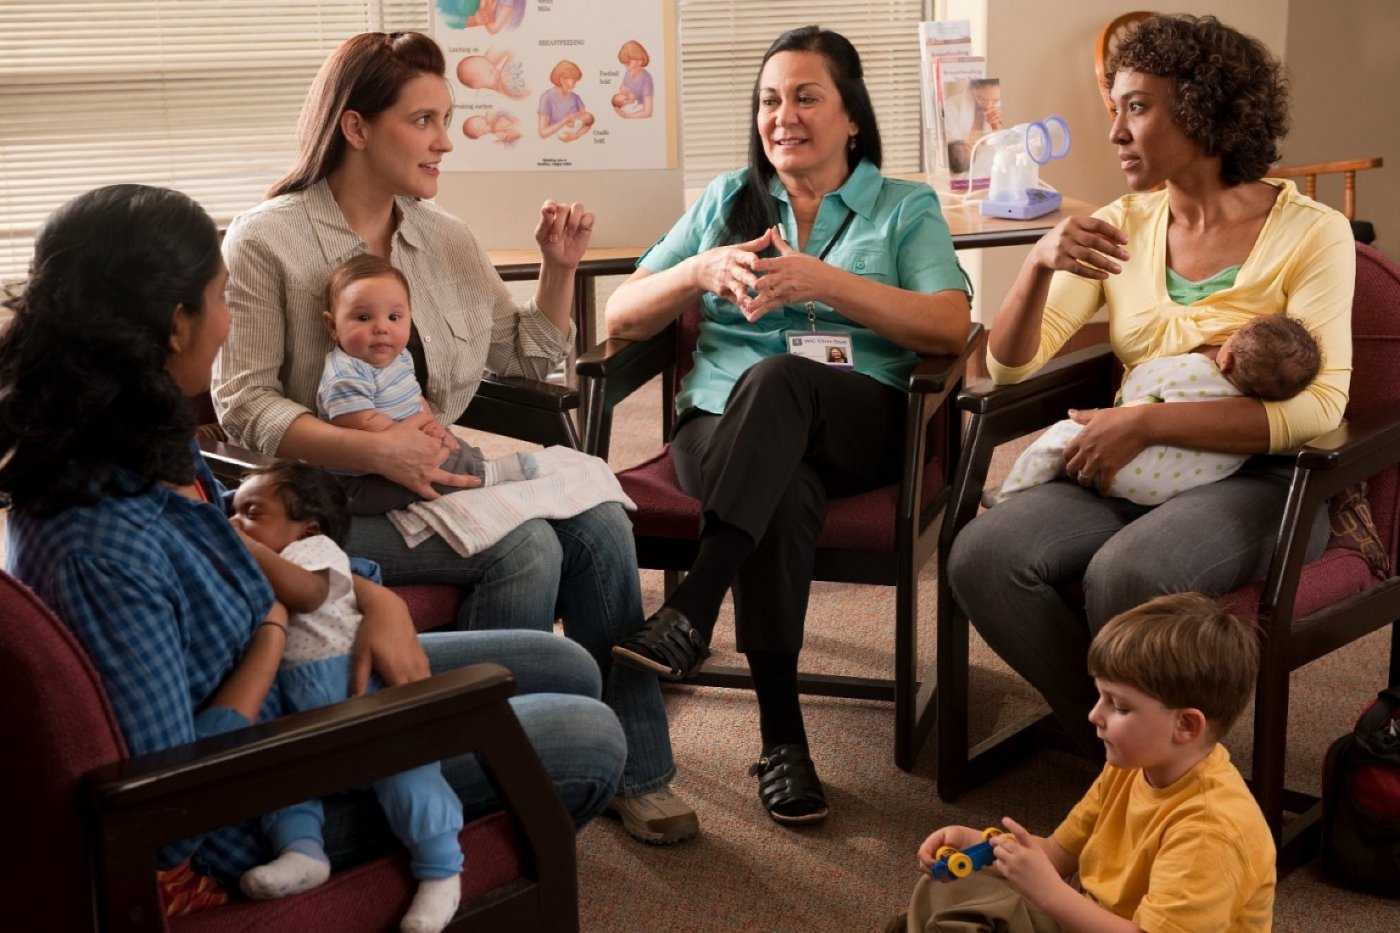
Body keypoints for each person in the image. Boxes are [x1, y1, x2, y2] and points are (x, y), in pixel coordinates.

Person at [0, 184, 626, 904]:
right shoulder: (98, 543)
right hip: (266, 797)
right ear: (177, 325)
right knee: (588, 734)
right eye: (223, 297)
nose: (230, 321)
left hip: (304, 670)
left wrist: (372, 600)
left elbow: (251, 553)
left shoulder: (142, 437)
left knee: (565, 663)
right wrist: (271, 636)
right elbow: (169, 810)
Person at [213, 31, 694, 845]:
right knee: (530, 547)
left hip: (432, 480)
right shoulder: (268, 240)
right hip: (330, 503)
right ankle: (486, 775)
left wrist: (559, 268)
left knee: (604, 517)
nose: (446, 140)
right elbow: (243, 405)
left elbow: (528, 358)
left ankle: (637, 770)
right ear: (358, 128)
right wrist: (373, 449)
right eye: (425, 119)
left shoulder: (445, 239)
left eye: (449, 117)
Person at [946, 13, 1354, 752]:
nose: (1115, 133)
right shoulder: (1119, 225)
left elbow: (1320, 406)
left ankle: (1150, 770)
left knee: (1128, 573)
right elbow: (1009, 365)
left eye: (1137, 107)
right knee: (983, 557)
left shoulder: (1312, 231)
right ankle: (1126, 752)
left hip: (1267, 482)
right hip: (1127, 464)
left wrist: (1146, 423)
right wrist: (1038, 263)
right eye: (1115, 110)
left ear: (1203, 107)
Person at [604, 26, 971, 825]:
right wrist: (698, 270)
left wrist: (826, 282)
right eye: (771, 99)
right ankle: (783, 740)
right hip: (723, 436)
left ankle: (694, 606)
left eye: (807, 96)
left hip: (860, 425)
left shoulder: (904, 206)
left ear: (851, 117)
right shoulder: (724, 199)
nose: (784, 115)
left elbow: (949, 326)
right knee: (785, 486)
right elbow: (619, 313)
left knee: (783, 378)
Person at [896, 593, 1275, 932]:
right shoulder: (1129, 766)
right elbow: (1057, 855)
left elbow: (1054, 888)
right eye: (1100, 697)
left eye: (1119, 706)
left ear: (1186, 725)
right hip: (1089, 919)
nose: (1094, 715)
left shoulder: (1213, 830)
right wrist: (978, 844)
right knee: (950, 888)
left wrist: (1050, 896)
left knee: (958, 916)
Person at [230, 460, 462, 931]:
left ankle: (441, 872)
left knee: (410, 780)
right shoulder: (262, 558)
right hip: (300, 711)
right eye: (233, 513)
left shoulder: (315, 553)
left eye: (251, 513)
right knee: (285, 783)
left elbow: (308, 594)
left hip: (364, 695)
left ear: (308, 526)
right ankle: (302, 853)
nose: (235, 523)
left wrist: (243, 544)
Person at [996, 315, 1321, 506]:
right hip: (1174, 490)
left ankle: (1010, 492)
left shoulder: (1195, 369)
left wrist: (1121, 408)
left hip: (1125, 468)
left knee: (1061, 435)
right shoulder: (1252, 417)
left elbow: (1139, 385)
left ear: (1227, 358)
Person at [317, 254, 537, 514]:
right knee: (433, 474)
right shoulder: (346, 374)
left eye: (394, 317)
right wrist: (416, 440)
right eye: (363, 318)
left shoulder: (399, 356)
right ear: (332, 326)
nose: (381, 328)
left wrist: (432, 424)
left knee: (452, 446)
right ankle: (487, 477)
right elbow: (361, 424)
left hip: (397, 454)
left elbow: (414, 397)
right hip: (359, 482)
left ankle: (479, 468)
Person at [538, 60, 594, 142]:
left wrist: (576, 135)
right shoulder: (547, 98)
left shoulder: (576, 98)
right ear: (562, 79)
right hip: (553, 143)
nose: (574, 86)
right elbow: (543, 133)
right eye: (573, 82)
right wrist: (565, 120)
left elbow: (588, 122)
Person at [612, 40, 655, 119]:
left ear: (639, 61)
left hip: (637, 111)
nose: (627, 67)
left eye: (628, 64)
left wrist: (627, 116)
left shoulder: (646, 78)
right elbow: (623, 87)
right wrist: (623, 91)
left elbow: (647, 112)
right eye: (625, 64)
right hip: (627, 108)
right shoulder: (629, 73)